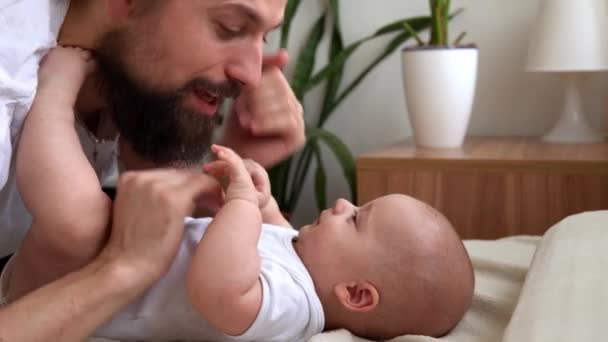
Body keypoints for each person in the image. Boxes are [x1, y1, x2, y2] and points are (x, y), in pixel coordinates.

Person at [4, 47, 474, 340]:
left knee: (75, 214)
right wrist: (263, 202)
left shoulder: (294, 309)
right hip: (94, 259)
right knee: (83, 212)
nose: (341, 203)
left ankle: (53, 95)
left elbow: (218, 289)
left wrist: (244, 208)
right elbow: (276, 234)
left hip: (59, 289)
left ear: (354, 294)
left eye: (356, 218)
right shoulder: (301, 261)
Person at [0, 0, 303, 339]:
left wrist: (229, 165)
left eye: (262, 39)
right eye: (230, 27)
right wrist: (121, 270)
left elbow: (151, 188)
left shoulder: (121, 70)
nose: (250, 74)